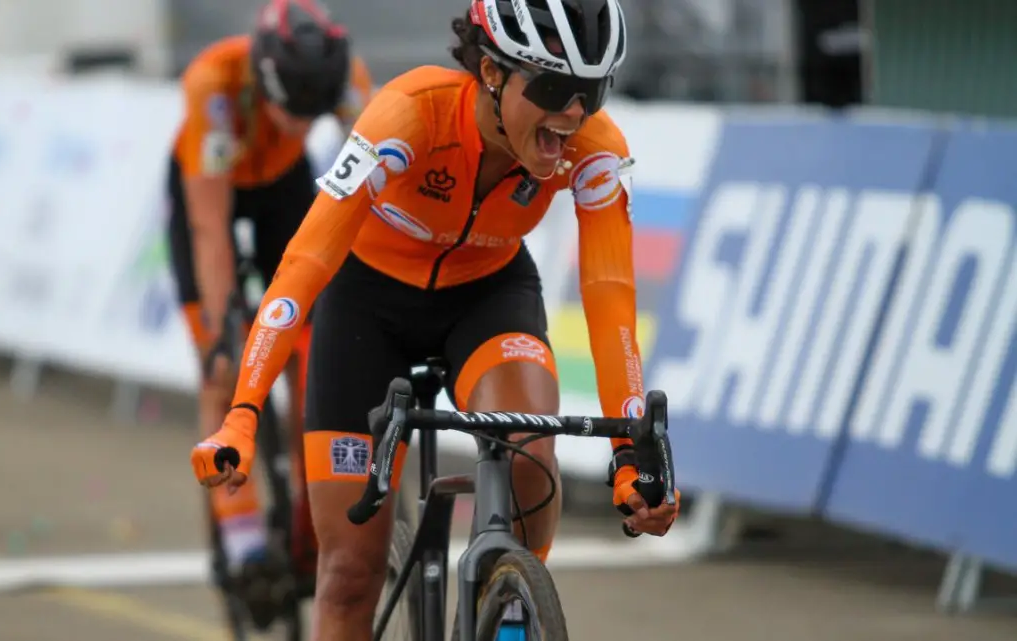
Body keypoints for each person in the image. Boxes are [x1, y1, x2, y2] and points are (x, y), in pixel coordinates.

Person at [190, 0, 682, 639]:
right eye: (554, 87)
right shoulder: (410, 114)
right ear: (490, 71)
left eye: (592, 91)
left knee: (531, 457)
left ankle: (504, 605)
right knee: (347, 575)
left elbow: (610, 292)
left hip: (488, 297)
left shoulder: (593, 149)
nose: (573, 114)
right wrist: (244, 409)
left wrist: (629, 449)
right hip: (367, 308)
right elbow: (305, 263)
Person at [167, 0, 372, 624]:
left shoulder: (345, 81)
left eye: (311, 118)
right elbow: (210, 230)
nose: (299, 125)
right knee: (224, 366)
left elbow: (386, 166)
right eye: (291, 113)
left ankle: (311, 506)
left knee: (310, 348)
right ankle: (244, 541)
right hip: (208, 193)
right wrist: (226, 323)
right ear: (263, 82)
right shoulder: (214, 84)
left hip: (285, 187)